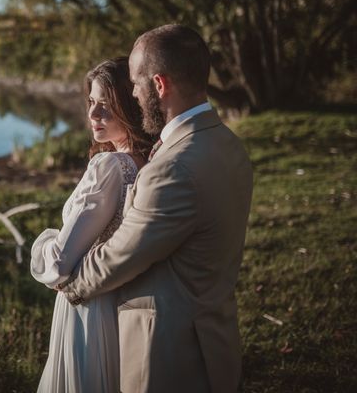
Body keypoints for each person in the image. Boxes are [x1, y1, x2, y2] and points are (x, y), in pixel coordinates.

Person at [58, 25, 254, 393]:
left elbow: (123, 254)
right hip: (215, 335)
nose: (131, 92)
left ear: (159, 85)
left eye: (135, 82)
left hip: (170, 353)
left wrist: (69, 282)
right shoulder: (227, 143)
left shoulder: (174, 167)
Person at [31, 57, 155, 392]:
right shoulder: (150, 161)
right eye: (90, 103)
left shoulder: (109, 166)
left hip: (88, 306)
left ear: (129, 107)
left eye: (105, 104)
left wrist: (41, 244)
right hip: (121, 303)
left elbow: (59, 262)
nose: (93, 115)